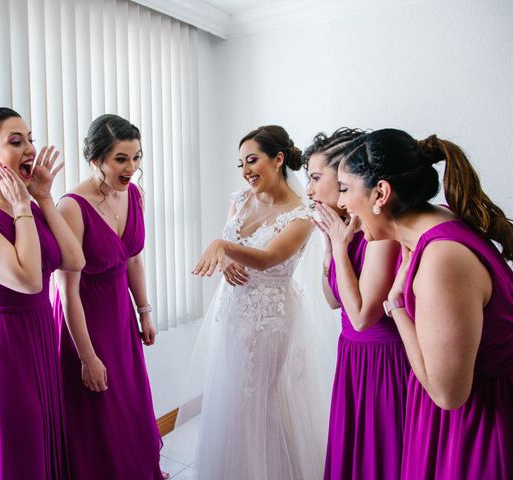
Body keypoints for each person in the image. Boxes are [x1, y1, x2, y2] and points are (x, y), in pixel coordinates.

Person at [337, 128, 513, 479]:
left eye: (344, 189)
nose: (341, 203)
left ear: (380, 193)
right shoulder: (434, 225)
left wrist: (396, 307)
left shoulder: (442, 258)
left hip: (488, 426)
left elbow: (448, 393)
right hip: (472, 414)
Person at [181, 125, 327, 479]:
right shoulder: (241, 198)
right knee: (231, 397)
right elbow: (234, 244)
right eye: (241, 163)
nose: (246, 170)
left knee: (260, 399)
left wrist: (223, 247)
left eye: (252, 160)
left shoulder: (301, 215)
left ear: (277, 160)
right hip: (232, 310)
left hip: (270, 317)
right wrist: (227, 258)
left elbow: (266, 259)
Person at [0, 107, 85, 479]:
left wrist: (42, 197)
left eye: (30, 140)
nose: (29, 149)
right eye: (15, 141)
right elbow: (28, 280)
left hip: (39, 340)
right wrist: (23, 206)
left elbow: (74, 260)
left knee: (42, 447)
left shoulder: (30, 205)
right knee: (17, 455)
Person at [53, 114, 164, 479]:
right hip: (85, 320)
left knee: (128, 404)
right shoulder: (71, 207)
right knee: (99, 414)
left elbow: (133, 258)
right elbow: (66, 291)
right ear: (96, 159)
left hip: (120, 319)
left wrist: (143, 311)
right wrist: (87, 357)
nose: (131, 167)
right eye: (121, 158)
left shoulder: (133, 192)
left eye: (136, 157)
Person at [304, 128, 410, 480]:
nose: (309, 189)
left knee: (382, 458)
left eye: (316, 178)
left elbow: (363, 317)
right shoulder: (344, 230)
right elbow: (334, 301)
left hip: (385, 362)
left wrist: (338, 249)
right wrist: (329, 248)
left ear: (345, 176)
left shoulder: (379, 233)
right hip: (353, 356)